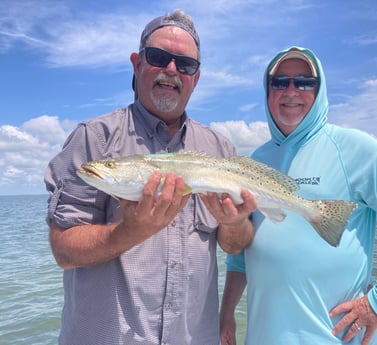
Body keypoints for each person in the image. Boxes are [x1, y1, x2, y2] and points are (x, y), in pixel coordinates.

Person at [44, 9, 256, 345]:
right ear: (137, 64)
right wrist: (130, 231)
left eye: (185, 64)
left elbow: (235, 244)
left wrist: (234, 223)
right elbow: (63, 250)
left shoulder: (220, 148)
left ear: (196, 78)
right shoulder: (93, 138)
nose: (171, 70)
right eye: (158, 57)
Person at [219, 46, 377, 345]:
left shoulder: (353, 147)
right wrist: (226, 316)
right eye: (280, 82)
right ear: (267, 90)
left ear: (320, 89)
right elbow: (240, 255)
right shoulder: (253, 159)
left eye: (304, 81)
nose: (291, 91)